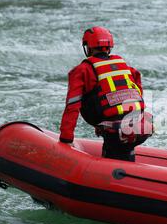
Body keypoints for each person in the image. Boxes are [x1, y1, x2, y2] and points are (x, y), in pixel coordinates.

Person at [59, 26, 153, 161]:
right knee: (124, 148)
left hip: (116, 131)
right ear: (109, 47)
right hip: (142, 126)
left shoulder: (83, 70)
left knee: (114, 149)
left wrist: (66, 139)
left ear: (88, 47)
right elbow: (136, 88)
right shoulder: (124, 66)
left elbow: (72, 106)